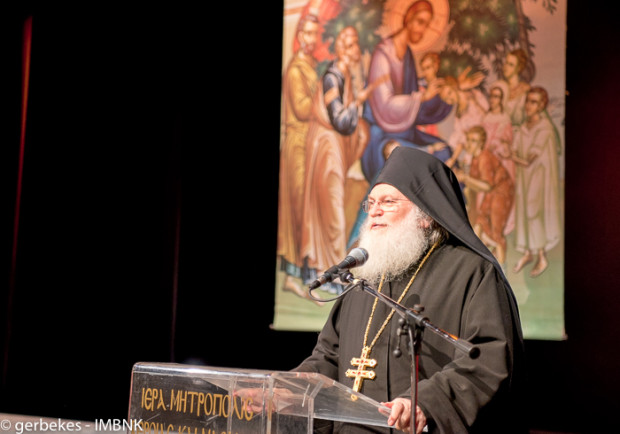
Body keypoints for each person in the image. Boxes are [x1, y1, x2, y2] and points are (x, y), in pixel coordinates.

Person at [295, 146, 526, 433]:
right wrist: (292, 388)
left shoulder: (472, 272)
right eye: (371, 203)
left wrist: (426, 402)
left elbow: (488, 357)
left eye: (388, 202)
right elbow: (330, 356)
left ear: (425, 214)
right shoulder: (366, 275)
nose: (374, 211)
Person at [301, 26, 370, 295]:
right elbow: (339, 119)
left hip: (333, 147)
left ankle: (327, 270)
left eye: (356, 44)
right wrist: (357, 102)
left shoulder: (345, 75)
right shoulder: (333, 77)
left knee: (332, 208)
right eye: (352, 45)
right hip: (326, 147)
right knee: (331, 211)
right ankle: (328, 272)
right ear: (343, 48)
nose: (356, 50)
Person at [277, 13, 320, 300]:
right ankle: (291, 275)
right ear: (300, 36)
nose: (311, 39)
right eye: (307, 33)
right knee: (296, 208)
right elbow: (303, 109)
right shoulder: (295, 69)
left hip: (310, 143)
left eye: (315, 34)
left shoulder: (312, 65)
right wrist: (322, 94)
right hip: (297, 144)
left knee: (308, 210)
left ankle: (303, 274)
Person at [510, 86, 562, 278]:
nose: (528, 106)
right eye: (528, 101)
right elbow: (515, 149)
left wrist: (511, 156)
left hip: (539, 179)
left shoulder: (544, 128)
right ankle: (528, 252)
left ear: (541, 105)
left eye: (534, 102)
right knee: (524, 212)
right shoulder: (524, 126)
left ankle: (541, 256)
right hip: (525, 178)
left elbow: (528, 159)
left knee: (534, 212)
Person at [454, 126, 514, 271]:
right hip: (492, 193)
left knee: (496, 231)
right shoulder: (476, 158)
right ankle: (478, 266)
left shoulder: (484, 158)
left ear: (481, 143)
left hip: (501, 193)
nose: (469, 144)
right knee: (480, 224)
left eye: (473, 141)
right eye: (468, 140)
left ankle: (502, 272)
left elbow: (487, 185)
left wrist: (465, 178)